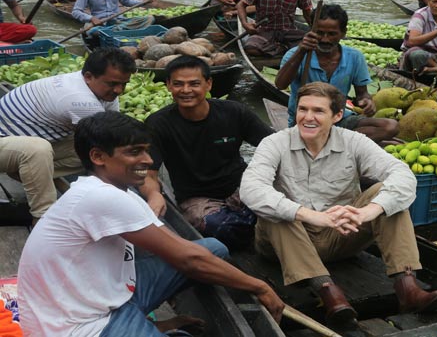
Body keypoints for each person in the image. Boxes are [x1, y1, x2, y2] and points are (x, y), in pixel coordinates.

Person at [18, 111, 284, 336]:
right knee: (199, 258)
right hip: (81, 324)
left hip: (110, 292)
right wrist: (259, 286)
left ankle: (145, 322)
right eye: (135, 152)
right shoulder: (100, 196)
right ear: (98, 157)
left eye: (146, 151)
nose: (147, 160)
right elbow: (188, 260)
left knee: (213, 248)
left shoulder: (115, 190)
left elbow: (185, 251)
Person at [240, 82, 437, 323]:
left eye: (318, 111)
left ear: (337, 116)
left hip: (339, 236)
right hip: (286, 243)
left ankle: (408, 288)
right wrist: (310, 215)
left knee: (387, 194)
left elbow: (402, 174)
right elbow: (251, 188)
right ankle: (328, 292)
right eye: (302, 109)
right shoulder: (275, 143)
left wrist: (368, 212)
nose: (308, 118)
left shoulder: (353, 141)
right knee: (275, 210)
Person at [139, 55, 274, 250]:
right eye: (178, 84)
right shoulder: (158, 124)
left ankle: (253, 228)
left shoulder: (234, 112)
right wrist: (154, 194)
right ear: (168, 85)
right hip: (197, 198)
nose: (186, 91)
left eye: (194, 84)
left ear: (208, 84)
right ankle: (255, 232)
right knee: (219, 227)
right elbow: (148, 173)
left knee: (280, 204)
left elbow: (271, 146)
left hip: (241, 187)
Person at [0, 48, 135, 224]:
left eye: (123, 84)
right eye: (113, 84)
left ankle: (28, 173)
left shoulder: (103, 90)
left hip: (17, 145)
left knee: (96, 153)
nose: (119, 90)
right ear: (88, 76)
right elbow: (111, 139)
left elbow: (113, 132)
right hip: (7, 144)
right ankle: (42, 218)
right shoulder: (80, 99)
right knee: (38, 149)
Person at [276, 4, 399, 142]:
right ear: (311, 31)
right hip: (308, 120)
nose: (325, 39)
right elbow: (280, 84)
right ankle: (336, 141)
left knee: (390, 127)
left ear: (343, 33)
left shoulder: (354, 57)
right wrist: (302, 51)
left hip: (338, 118)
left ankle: (331, 140)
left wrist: (367, 101)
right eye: (320, 33)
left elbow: (361, 94)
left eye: (332, 34)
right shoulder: (295, 55)